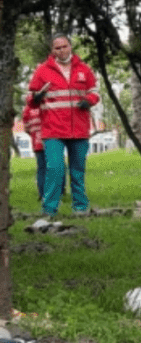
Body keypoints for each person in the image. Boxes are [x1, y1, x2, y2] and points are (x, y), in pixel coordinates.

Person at [28, 34, 99, 217]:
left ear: (70, 46)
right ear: (52, 50)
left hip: (79, 129)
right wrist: (34, 98)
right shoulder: (42, 71)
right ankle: (50, 210)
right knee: (55, 168)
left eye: (64, 46)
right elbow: (31, 98)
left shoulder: (84, 69)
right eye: (57, 48)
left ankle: (81, 208)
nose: (61, 50)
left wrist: (89, 101)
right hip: (53, 129)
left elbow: (95, 92)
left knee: (77, 171)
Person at [21, 94, 47, 201]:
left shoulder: (26, 111)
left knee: (41, 169)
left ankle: (42, 194)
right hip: (49, 140)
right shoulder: (44, 105)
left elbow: (26, 128)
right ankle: (59, 191)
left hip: (36, 143)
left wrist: (34, 134)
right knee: (56, 166)